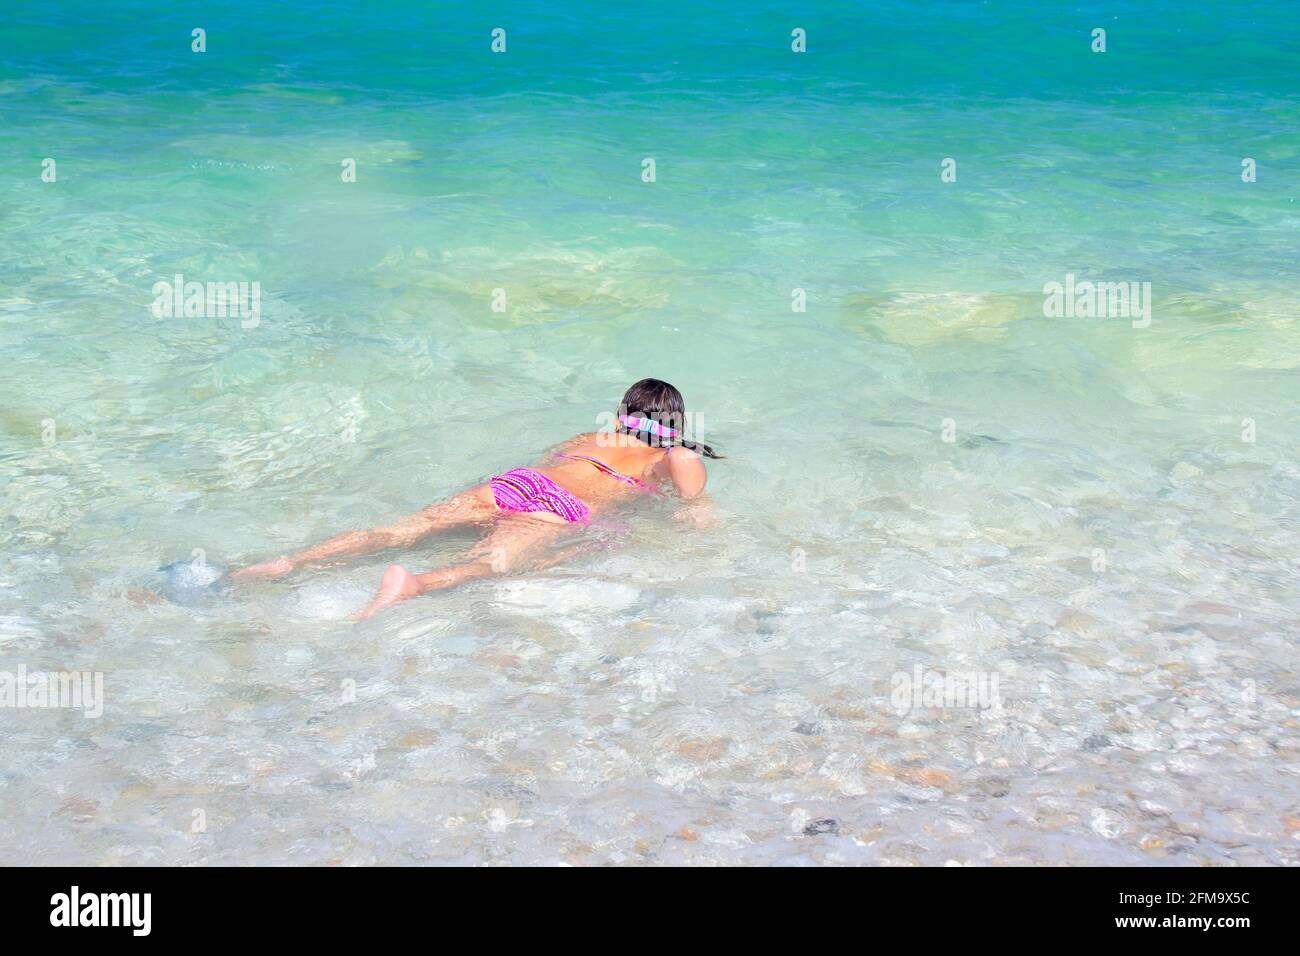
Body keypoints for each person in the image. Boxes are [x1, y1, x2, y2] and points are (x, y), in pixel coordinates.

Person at [231, 378, 721, 617]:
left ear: (621, 414)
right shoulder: (671, 453)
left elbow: (555, 460)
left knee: (405, 528)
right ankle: (412, 586)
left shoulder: (584, 438)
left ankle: (290, 563)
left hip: (518, 481)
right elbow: (692, 503)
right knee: (492, 564)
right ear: (670, 424)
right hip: (558, 508)